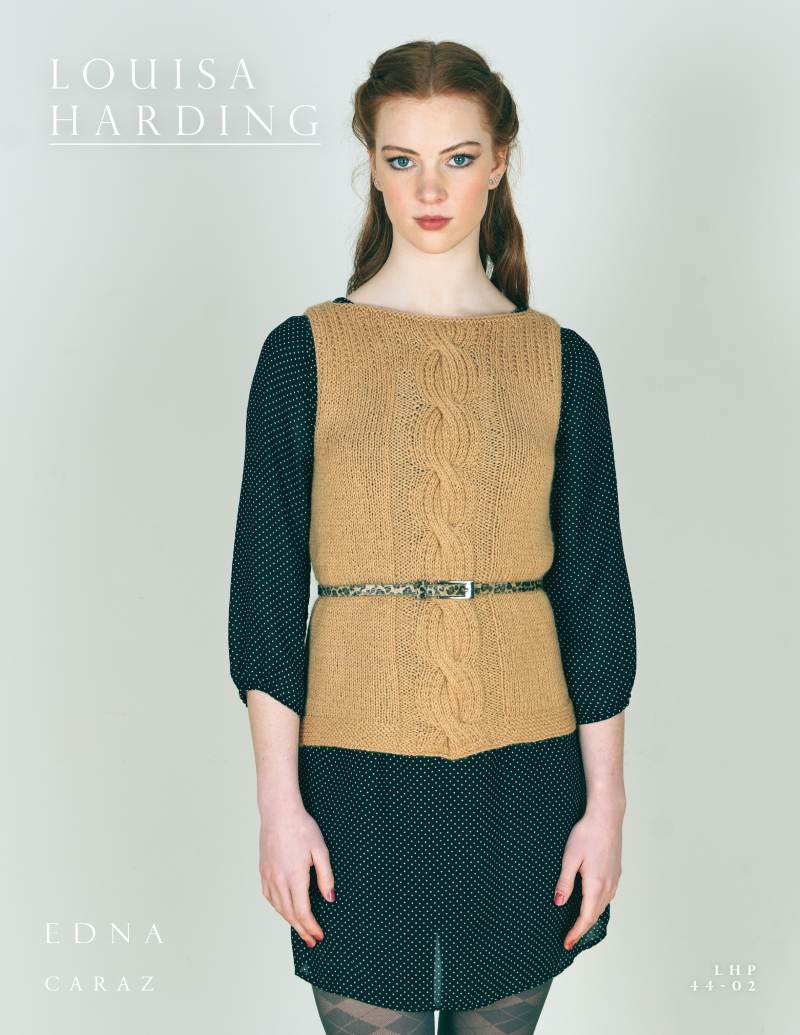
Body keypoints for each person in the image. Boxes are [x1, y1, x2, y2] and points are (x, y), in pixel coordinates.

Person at [228, 39, 637, 1035]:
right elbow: (266, 599)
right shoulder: (302, 354)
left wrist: (605, 806)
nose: (429, 188)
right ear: (370, 164)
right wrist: (278, 806)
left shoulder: (561, 362)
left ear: (498, 162)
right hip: (352, 769)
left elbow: (595, 597)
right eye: (401, 158)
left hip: (529, 767)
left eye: (457, 157)